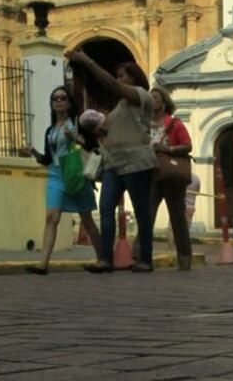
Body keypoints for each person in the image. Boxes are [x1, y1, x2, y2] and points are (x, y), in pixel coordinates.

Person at [64, 51, 157, 273]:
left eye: (122, 75)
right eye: (118, 75)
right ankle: (105, 259)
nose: (118, 79)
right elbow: (104, 131)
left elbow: (112, 87)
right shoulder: (121, 107)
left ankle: (145, 258)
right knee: (106, 208)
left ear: (134, 78)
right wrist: (88, 127)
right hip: (113, 163)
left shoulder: (141, 96)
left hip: (136, 162)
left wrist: (88, 61)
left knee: (142, 212)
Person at [22, 85, 101, 275]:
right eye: (55, 99)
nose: (59, 101)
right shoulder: (50, 130)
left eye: (63, 98)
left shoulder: (76, 124)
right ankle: (43, 264)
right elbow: (48, 159)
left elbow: (93, 146)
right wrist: (33, 152)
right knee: (51, 218)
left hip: (75, 173)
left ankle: (103, 258)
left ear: (69, 103)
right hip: (56, 175)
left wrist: (76, 138)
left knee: (86, 219)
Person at [148, 85, 193, 271]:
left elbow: (188, 146)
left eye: (156, 98)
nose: (152, 101)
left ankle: (184, 257)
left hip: (171, 174)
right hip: (150, 173)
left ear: (164, 102)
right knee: (147, 215)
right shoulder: (144, 124)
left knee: (177, 217)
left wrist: (169, 149)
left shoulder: (174, 123)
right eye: (150, 98)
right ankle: (142, 256)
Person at [168, 172, 200, 249]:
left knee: (172, 228)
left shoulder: (179, 177)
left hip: (178, 206)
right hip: (190, 207)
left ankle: (171, 249)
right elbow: (197, 193)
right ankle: (184, 250)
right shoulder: (196, 179)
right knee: (186, 229)